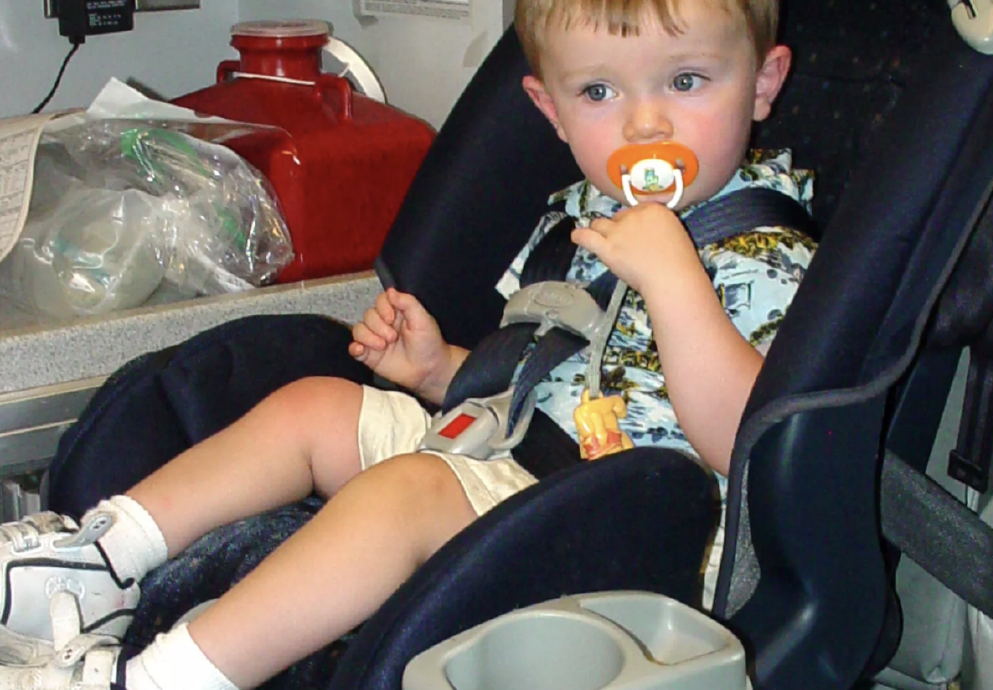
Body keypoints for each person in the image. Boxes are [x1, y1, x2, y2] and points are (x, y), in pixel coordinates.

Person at [0, 0, 816, 687]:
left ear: (761, 84)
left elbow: (749, 438)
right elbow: (546, 371)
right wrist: (440, 371)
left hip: (632, 526)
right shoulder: (577, 220)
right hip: (516, 456)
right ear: (550, 111)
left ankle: (159, 679)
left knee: (407, 495)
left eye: (685, 81)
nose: (646, 121)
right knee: (316, 408)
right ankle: (99, 560)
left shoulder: (765, 254)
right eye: (599, 91)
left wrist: (676, 282)